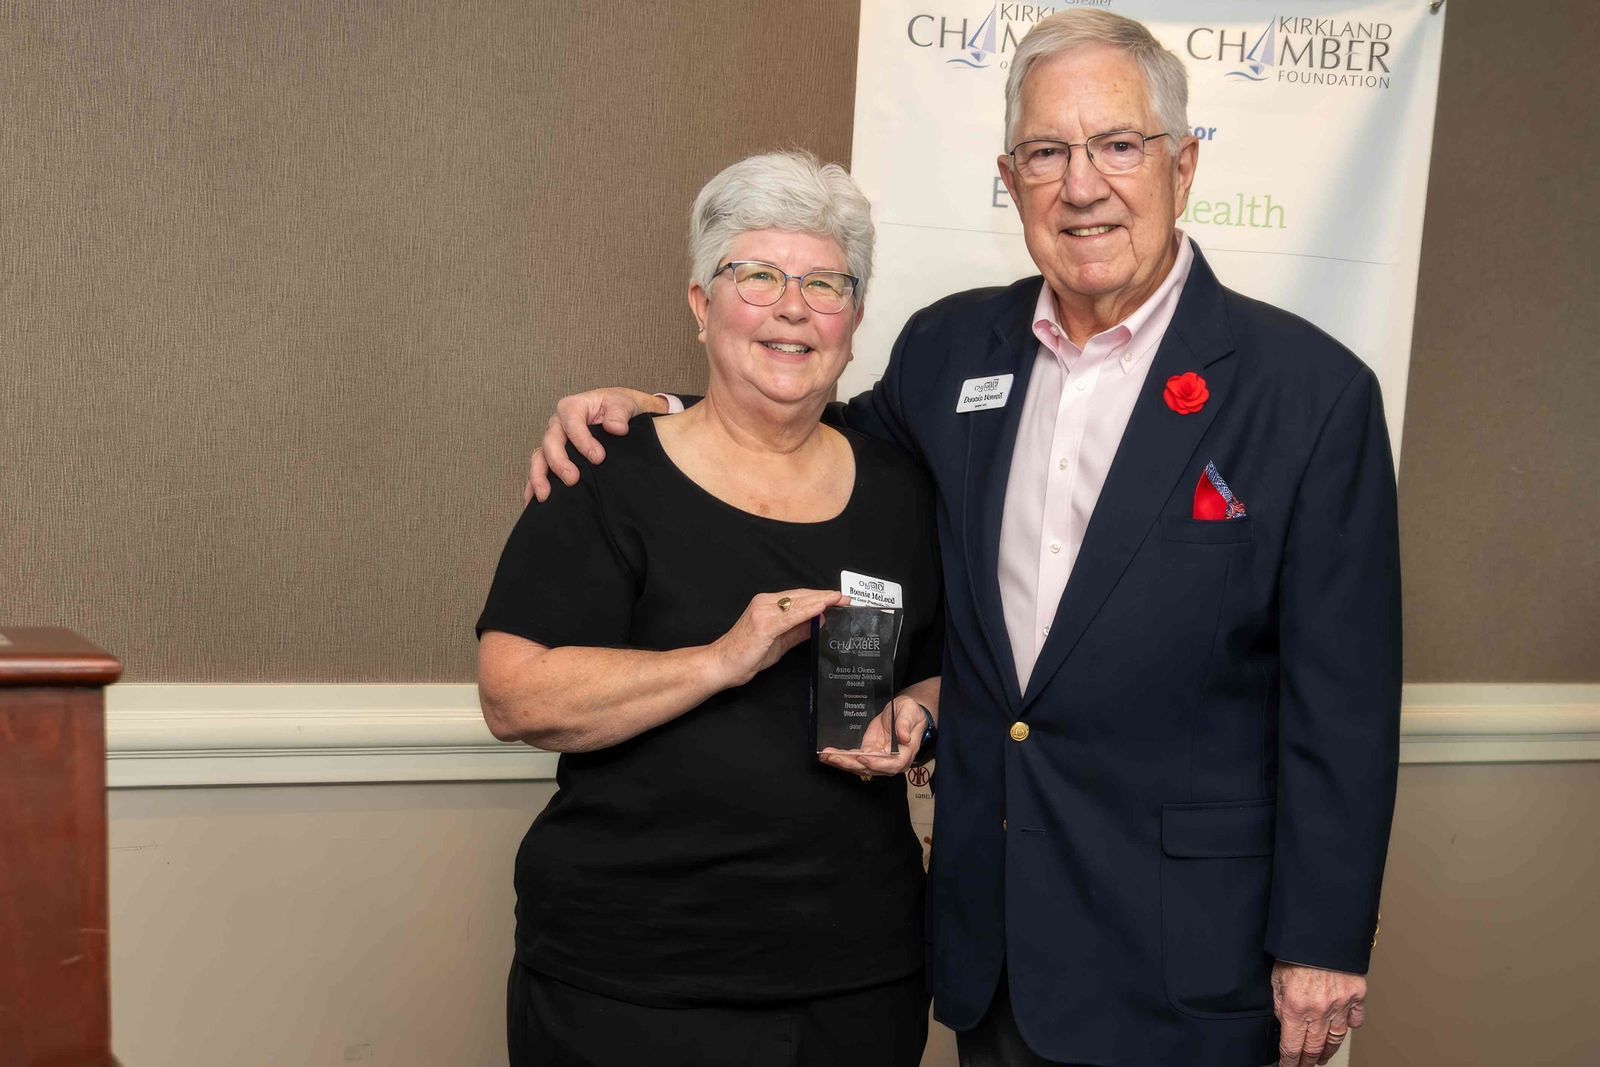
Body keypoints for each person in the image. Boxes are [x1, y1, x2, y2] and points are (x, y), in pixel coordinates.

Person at [527, 11, 1403, 1067]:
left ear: (1183, 164)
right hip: (993, 949)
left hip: (1187, 955)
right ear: (1009, 175)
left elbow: (1343, 703)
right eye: (1046, 152)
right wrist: (660, 410)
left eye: (1117, 145)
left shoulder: (1307, 394)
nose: (1082, 185)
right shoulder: (952, 349)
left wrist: (1320, 944)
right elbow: (817, 437)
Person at [477, 150, 944, 1067]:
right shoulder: (604, 474)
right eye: (758, 276)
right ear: (701, 304)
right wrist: (723, 657)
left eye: (825, 282)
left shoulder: (905, 489)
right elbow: (513, 697)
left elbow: (947, 662)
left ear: (853, 318)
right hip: (630, 979)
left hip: (857, 978)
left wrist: (920, 713)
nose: (793, 306)